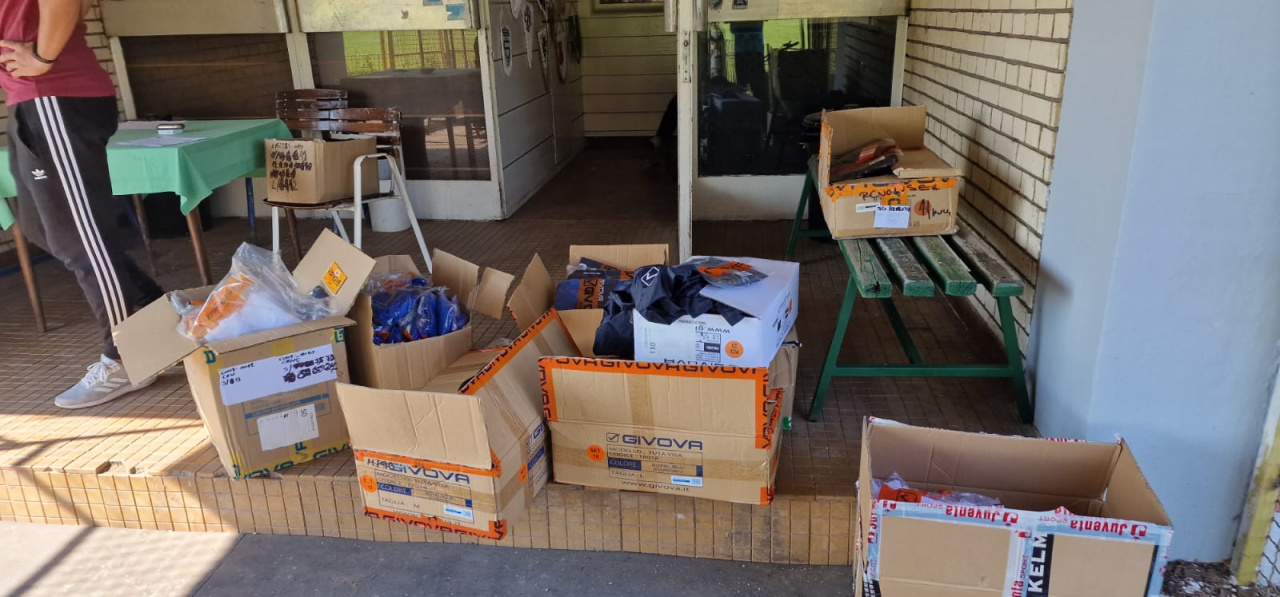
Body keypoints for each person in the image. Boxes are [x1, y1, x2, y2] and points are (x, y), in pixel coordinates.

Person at [1, 0, 164, 409]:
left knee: (80, 239)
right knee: (42, 229)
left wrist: (42, 57)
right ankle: (158, 317)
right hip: (29, 99)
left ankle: (126, 355)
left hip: (54, 93)